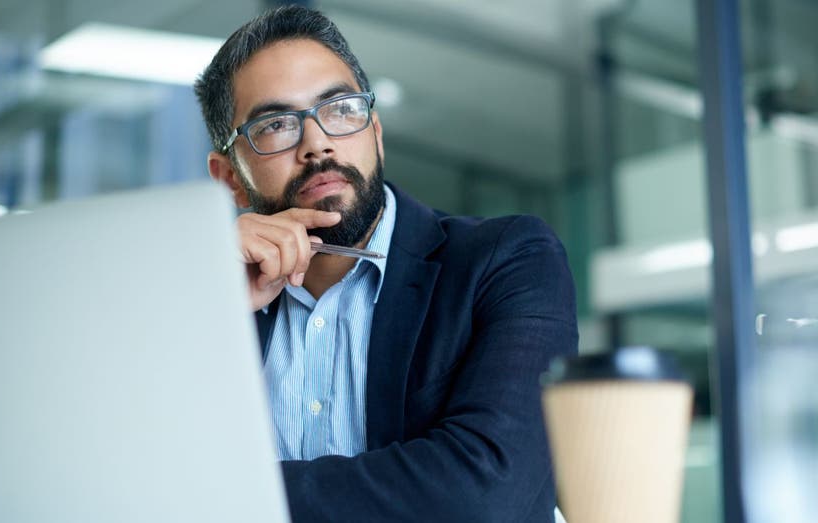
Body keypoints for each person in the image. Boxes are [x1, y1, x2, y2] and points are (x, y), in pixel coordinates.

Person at [194, 5, 578, 522]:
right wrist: (209, 308)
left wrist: (218, 498)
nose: (317, 143)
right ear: (229, 179)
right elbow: (125, 480)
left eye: (340, 108)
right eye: (277, 124)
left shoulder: (507, 261)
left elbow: (484, 497)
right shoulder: (205, 305)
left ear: (375, 132)